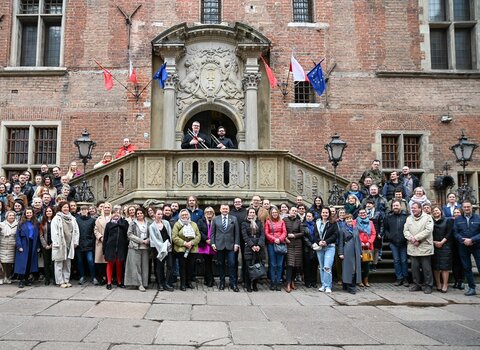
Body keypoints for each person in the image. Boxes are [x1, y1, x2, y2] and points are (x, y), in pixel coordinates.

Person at [403, 202, 434, 294]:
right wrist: (412, 239)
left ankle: (429, 285)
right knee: (414, 267)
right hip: (413, 246)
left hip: (424, 246)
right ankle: (417, 284)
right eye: (412, 208)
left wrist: (416, 238)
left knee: (426, 268)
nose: (413, 210)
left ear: (420, 208)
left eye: (415, 208)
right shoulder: (409, 219)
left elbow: (428, 230)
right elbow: (405, 231)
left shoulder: (428, 218)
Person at [453, 200, 480, 296]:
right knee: (467, 267)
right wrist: (463, 240)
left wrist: (472, 239)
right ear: (462, 208)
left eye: (468, 207)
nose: (467, 208)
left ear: (471, 207)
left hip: (477, 246)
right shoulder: (458, 219)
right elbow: (455, 233)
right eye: (465, 207)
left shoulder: (478, 218)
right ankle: (472, 288)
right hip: (463, 246)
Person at [211, 203, 240, 292]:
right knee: (221, 264)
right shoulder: (215, 219)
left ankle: (233, 283)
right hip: (219, 245)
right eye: (223, 209)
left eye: (226, 209)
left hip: (231, 246)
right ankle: (222, 282)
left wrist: (236, 244)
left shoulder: (233, 219)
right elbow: (213, 233)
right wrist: (213, 243)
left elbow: (237, 233)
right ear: (220, 210)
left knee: (232, 264)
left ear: (228, 210)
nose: (225, 210)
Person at [51, 201, 80, 288]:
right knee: (59, 262)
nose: (66, 209)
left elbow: (76, 231)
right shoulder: (56, 218)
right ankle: (60, 281)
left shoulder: (72, 218)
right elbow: (54, 231)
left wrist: (75, 241)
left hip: (69, 243)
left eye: (67, 207)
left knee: (67, 263)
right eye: (64, 207)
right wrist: (56, 242)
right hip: (60, 243)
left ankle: (66, 280)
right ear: (60, 208)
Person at [172, 209, 201, 291]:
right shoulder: (177, 224)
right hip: (181, 249)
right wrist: (184, 243)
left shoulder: (194, 224)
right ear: (180, 216)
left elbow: (198, 236)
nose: (184, 216)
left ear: (189, 215)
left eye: (186, 215)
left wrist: (191, 243)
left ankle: (188, 282)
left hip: (192, 249)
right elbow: (174, 237)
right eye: (182, 215)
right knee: (182, 267)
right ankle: (183, 284)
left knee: (190, 267)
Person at [384, 200, 409, 286]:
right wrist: (389, 236)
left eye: (397, 205)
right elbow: (386, 229)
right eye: (394, 205)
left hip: (404, 242)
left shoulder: (406, 217)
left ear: (400, 206)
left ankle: (405, 278)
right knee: (396, 260)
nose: (395, 207)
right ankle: (399, 278)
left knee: (404, 260)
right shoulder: (388, 217)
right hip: (393, 243)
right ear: (392, 207)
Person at [125, 208, 151, 291]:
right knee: (136, 266)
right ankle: (139, 284)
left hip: (145, 247)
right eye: (138, 213)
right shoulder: (133, 223)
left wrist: (148, 240)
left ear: (144, 214)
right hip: (135, 246)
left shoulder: (149, 223)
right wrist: (140, 241)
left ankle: (144, 283)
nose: (139, 215)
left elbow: (152, 234)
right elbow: (129, 234)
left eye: (141, 213)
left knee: (144, 266)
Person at [103, 207, 129, 290]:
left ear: (120, 214)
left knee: (119, 265)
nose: (116, 214)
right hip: (110, 247)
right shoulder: (109, 224)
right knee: (110, 264)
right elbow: (105, 237)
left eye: (118, 213)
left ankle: (119, 282)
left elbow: (126, 232)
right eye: (114, 213)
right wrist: (104, 249)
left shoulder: (124, 222)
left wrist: (119, 222)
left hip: (121, 247)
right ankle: (109, 282)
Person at [314, 208, 338, 293]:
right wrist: (319, 241)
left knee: (327, 267)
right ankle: (323, 285)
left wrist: (326, 242)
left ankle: (328, 286)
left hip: (330, 247)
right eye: (323, 212)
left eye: (326, 212)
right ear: (321, 213)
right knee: (321, 267)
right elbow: (315, 235)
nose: (325, 214)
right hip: (320, 247)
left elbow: (335, 235)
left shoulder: (333, 223)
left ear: (329, 213)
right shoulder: (317, 222)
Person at [149, 208, 174, 292]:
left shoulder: (166, 223)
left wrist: (169, 244)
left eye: (161, 214)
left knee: (170, 265)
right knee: (160, 266)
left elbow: (170, 234)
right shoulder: (152, 226)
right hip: (158, 248)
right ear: (155, 215)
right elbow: (154, 239)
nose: (160, 216)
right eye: (158, 214)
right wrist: (163, 246)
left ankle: (167, 283)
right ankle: (160, 284)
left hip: (168, 247)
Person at [14, 207, 40, 288]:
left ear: (32, 214)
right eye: (27, 213)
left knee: (29, 262)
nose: (29, 214)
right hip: (24, 244)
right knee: (22, 263)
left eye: (30, 213)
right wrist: (19, 246)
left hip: (33, 244)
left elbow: (38, 236)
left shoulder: (35, 223)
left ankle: (26, 279)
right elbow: (17, 236)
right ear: (25, 214)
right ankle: (21, 280)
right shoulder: (21, 223)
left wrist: (38, 246)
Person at [241, 207, 265, 292]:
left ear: (255, 214)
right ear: (247, 214)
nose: (251, 214)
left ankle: (255, 284)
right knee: (249, 267)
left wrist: (259, 245)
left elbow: (262, 234)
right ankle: (248, 285)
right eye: (250, 212)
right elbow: (245, 236)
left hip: (259, 248)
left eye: (253, 212)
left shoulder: (259, 222)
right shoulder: (244, 223)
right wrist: (252, 245)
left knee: (257, 266)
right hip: (249, 248)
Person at [338, 214, 362, 294]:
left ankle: (348, 284)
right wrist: (341, 253)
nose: (349, 220)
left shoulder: (356, 229)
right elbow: (340, 242)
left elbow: (359, 241)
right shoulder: (342, 229)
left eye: (350, 219)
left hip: (356, 250)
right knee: (348, 269)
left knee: (355, 268)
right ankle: (350, 286)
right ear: (345, 220)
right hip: (347, 250)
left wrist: (360, 252)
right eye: (347, 219)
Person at [264, 206, 287, 291]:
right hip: (271, 244)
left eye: (276, 212)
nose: (274, 214)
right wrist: (274, 239)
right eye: (273, 213)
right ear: (271, 213)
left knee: (280, 265)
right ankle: (272, 282)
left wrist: (280, 239)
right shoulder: (268, 222)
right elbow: (266, 233)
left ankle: (278, 282)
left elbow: (284, 232)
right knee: (273, 264)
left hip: (280, 244)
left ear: (278, 213)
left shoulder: (282, 221)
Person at [431, 205, 452, 293]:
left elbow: (449, 232)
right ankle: (438, 284)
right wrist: (434, 242)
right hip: (434, 245)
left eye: (437, 211)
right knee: (436, 267)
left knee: (444, 267)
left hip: (445, 246)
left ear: (441, 211)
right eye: (434, 211)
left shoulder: (447, 220)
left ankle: (445, 284)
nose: (436, 212)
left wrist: (442, 242)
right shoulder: (430, 221)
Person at [354, 208, 376, 287]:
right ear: (358, 214)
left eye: (364, 213)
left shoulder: (370, 222)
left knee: (366, 264)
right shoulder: (355, 222)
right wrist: (361, 242)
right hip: (358, 246)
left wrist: (369, 242)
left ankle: (366, 280)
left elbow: (373, 233)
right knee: (358, 263)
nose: (362, 214)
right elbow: (354, 233)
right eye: (361, 213)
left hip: (368, 247)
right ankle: (359, 280)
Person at [283, 206, 303, 293]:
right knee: (290, 264)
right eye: (293, 210)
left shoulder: (299, 221)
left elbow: (302, 232)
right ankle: (287, 284)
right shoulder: (284, 220)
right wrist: (285, 237)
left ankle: (292, 282)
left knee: (296, 265)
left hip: (297, 244)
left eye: (295, 211)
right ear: (289, 211)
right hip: (288, 244)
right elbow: (282, 230)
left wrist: (294, 235)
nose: (294, 212)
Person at [76, 205, 97, 285]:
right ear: (80, 211)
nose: (84, 211)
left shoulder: (92, 220)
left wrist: (92, 242)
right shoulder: (77, 220)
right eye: (82, 209)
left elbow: (94, 232)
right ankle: (82, 276)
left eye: (85, 209)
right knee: (80, 261)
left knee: (90, 261)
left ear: (88, 211)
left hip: (89, 244)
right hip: (79, 244)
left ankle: (93, 277)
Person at [197, 206, 216, 287]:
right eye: (207, 212)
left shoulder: (215, 221)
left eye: (210, 212)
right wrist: (206, 239)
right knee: (206, 262)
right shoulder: (201, 221)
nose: (209, 214)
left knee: (209, 262)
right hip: (204, 244)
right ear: (204, 213)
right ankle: (210, 280)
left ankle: (208, 279)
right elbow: (198, 231)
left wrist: (212, 241)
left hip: (213, 244)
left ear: (213, 213)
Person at [94, 202, 112, 285]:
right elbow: (95, 230)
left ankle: (109, 278)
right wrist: (100, 237)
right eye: (105, 207)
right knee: (100, 261)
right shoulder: (99, 219)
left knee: (109, 261)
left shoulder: (113, 218)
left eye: (108, 207)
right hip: (101, 242)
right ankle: (102, 277)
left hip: (110, 242)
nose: (107, 209)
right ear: (103, 209)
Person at [0, 210, 17, 284]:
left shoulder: (17, 224)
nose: (11, 217)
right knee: (2, 263)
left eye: (13, 215)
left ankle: (8, 277)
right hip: (2, 245)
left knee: (10, 263)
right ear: (6, 216)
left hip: (12, 246)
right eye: (10, 215)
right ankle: (1, 277)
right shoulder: (1, 224)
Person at [302, 212, 318, 288]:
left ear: (313, 217)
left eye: (309, 216)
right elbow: (304, 237)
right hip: (307, 248)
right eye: (307, 216)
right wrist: (310, 245)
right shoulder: (303, 225)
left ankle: (313, 281)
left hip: (315, 247)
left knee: (314, 265)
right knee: (307, 265)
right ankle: (307, 281)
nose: (308, 217)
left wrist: (315, 243)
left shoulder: (316, 225)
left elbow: (318, 235)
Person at [39, 207, 54, 285]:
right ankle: (47, 279)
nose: (48, 212)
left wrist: (52, 244)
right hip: (45, 245)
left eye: (50, 211)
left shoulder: (55, 221)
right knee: (46, 262)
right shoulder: (42, 222)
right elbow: (41, 235)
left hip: (54, 245)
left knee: (53, 262)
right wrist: (45, 245)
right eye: (47, 211)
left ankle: (54, 278)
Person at [451, 207, 465, 290]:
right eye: (455, 212)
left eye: (458, 212)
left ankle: (461, 280)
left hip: (462, 243)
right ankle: (456, 280)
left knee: (462, 263)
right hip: (453, 245)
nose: (456, 214)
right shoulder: (451, 221)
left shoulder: (463, 221)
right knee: (455, 264)